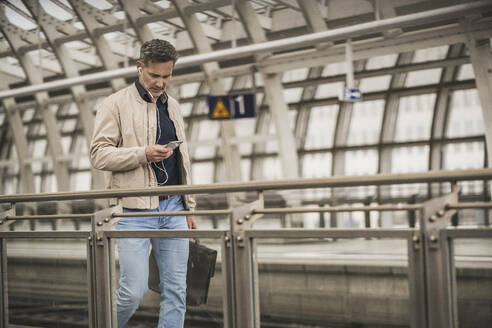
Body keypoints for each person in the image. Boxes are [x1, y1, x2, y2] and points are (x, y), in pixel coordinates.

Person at [90, 39, 197, 328]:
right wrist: (143, 154)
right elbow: (98, 155)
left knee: (177, 291)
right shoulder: (114, 104)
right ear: (140, 68)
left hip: (174, 208)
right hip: (135, 212)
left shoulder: (172, 105)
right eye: (155, 76)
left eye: (167, 76)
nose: (161, 83)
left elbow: (182, 160)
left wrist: (188, 207)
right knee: (132, 292)